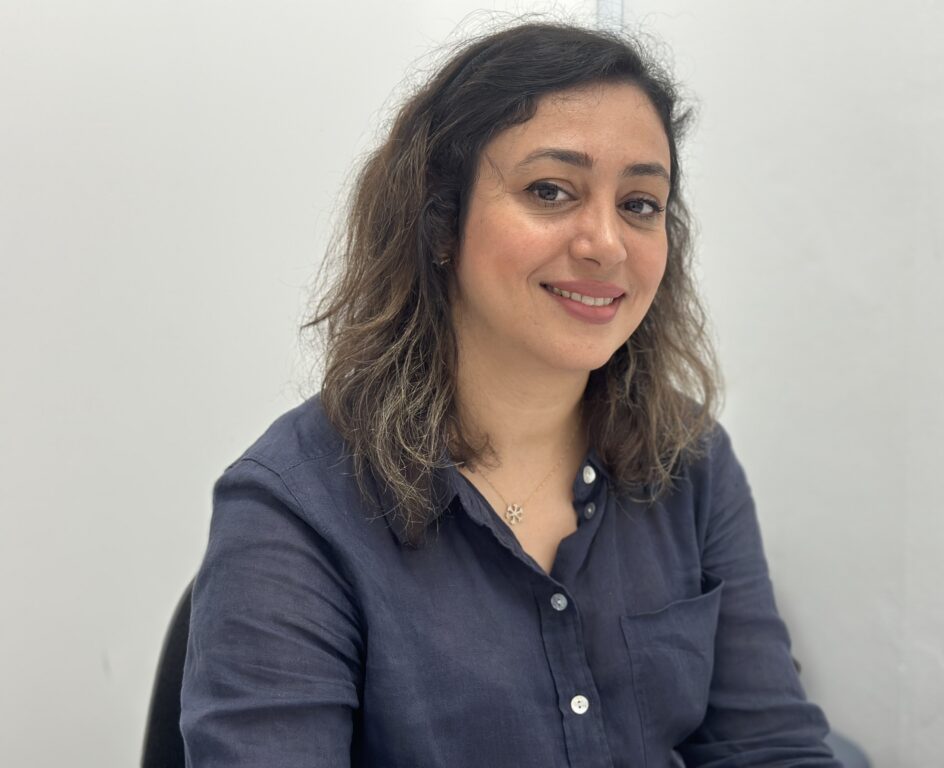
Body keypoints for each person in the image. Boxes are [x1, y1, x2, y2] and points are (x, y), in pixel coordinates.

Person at [181, 21, 840, 768]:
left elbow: (770, 747)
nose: (607, 243)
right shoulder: (292, 511)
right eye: (550, 191)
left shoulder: (690, 460)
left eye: (640, 203)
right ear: (439, 223)